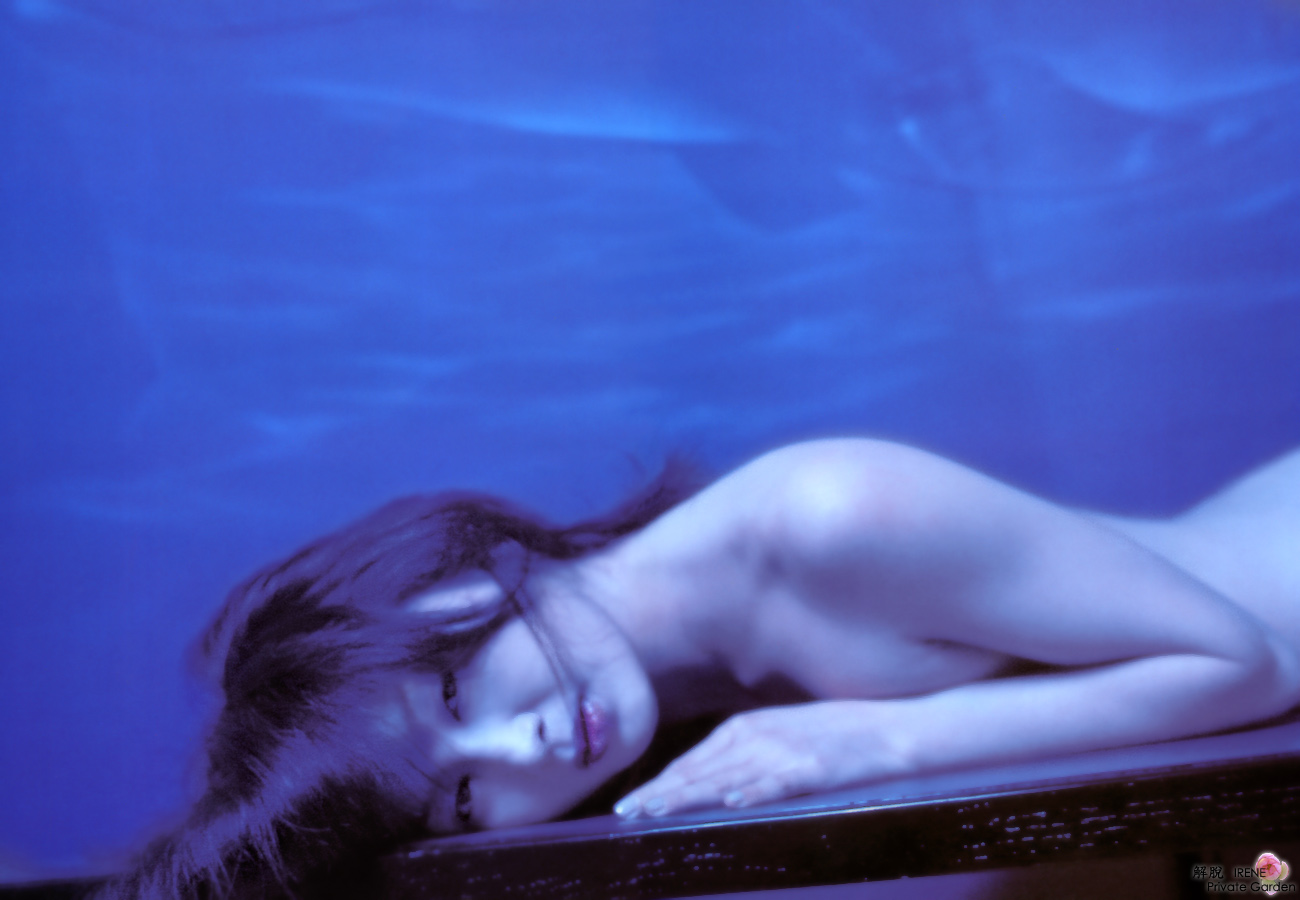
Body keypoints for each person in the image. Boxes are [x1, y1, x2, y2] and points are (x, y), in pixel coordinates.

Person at [102, 439, 1300, 899]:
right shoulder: (664, 707)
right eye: (461, 795)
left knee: (1241, 882)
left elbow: (1246, 668)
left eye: (458, 697)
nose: (524, 749)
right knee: (1237, 883)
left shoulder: (827, 518)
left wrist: (874, 741)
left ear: (460, 585)